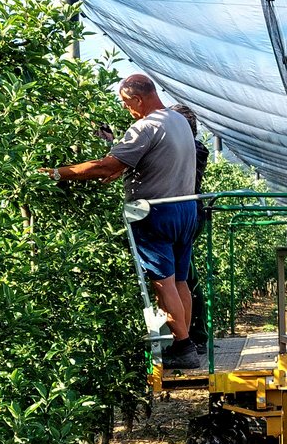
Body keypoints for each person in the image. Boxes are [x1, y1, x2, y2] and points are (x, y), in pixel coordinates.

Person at [38, 74, 200, 369]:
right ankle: (185, 344)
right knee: (179, 280)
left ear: (138, 99)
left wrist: (58, 173)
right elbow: (151, 162)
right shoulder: (178, 121)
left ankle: (183, 345)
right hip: (185, 209)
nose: (128, 110)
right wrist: (120, 169)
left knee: (162, 282)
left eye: (127, 104)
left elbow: (105, 165)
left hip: (156, 214)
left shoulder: (146, 126)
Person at [169, 103, 209, 355]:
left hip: (184, 215)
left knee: (184, 277)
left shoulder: (192, 149)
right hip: (189, 213)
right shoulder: (194, 148)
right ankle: (194, 335)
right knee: (183, 275)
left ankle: (195, 336)